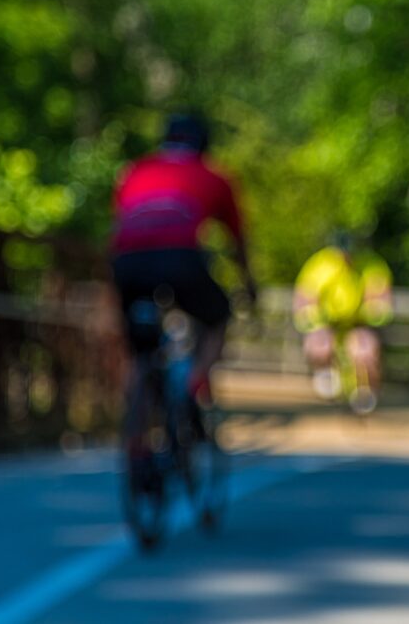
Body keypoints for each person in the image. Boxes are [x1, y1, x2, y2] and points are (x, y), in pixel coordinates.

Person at [111, 113, 256, 445]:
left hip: (128, 262)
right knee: (218, 316)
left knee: (140, 351)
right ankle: (194, 385)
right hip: (180, 259)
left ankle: (135, 439)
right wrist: (248, 285)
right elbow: (237, 243)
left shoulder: (135, 171)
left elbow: (120, 226)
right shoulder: (214, 177)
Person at [292, 233, 392, 408]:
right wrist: (314, 320)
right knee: (319, 346)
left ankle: (364, 391)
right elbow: (306, 296)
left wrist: (375, 310)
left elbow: (379, 295)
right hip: (327, 324)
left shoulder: (371, 264)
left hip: (357, 323)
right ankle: (327, 376)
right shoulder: (321, 264)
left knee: (364, 351)